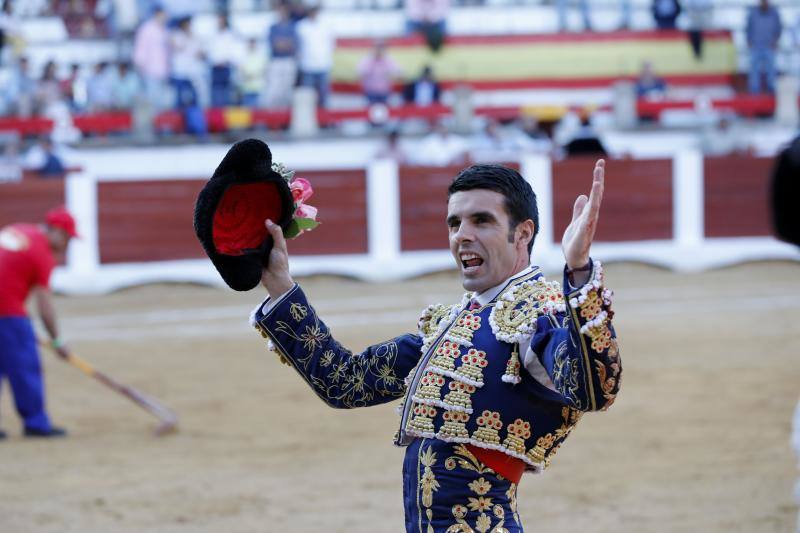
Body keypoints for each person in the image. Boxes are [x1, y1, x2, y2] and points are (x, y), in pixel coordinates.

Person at [252, 160, 621, 531]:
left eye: (482, 220)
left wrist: (579, 273)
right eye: (454, 223)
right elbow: (347, 381)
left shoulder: (540, 315)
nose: (462, 234)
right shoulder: (452, 324)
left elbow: (594, 389)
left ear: (522, 234)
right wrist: (281, 286)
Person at [0, 206, 78, 438]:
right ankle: (35, 423)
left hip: (7, 309)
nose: (67, 246)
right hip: (6, 310)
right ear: (58, 232)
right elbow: (45, 306)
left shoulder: (19, 229)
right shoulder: (42, 253)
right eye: (68, 239)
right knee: (25, 365)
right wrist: (57, 342)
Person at [296, 5, 335, 108]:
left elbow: (331, 44)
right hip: (307, 66)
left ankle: (324, 120)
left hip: (323, 64)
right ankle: (308, 116)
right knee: (308, 95)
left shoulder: (326, 25)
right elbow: (298, 46)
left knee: (324, 95)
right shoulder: (301, 26)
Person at [264, 2, 298, 109]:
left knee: (287, 91)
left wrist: (282, 43)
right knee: (274, 90)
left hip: (288, 61)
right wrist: (285, 44)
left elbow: (294, 45)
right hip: (276, 61)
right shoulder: (273, 27)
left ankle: (284, 119)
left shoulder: (293, 27)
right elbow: (274, 45)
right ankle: (272, 118)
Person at [746, 0, 782, 95]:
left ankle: (771, 91)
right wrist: (749, 41)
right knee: (754, 70)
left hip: (769, 46)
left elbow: (779, 28)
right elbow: (748, 28)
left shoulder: (774, 13)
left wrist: (776, 41)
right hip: (756, 46)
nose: (764, 3)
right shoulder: (753, 13)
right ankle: (754, 92)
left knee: (771, 70)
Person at [358, 40, 400, 105]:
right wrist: (372, 61)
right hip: (370, 91)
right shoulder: (367, 59)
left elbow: (397, 72)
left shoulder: (388, 59)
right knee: (371, 111)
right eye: (377, 48)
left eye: (381, 48)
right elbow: (361, 72)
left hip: (384, 91)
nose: (379, 50)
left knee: (384, 111)